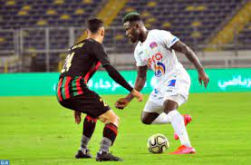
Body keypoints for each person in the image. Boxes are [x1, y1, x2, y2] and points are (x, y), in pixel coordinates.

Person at [115, 12, 209, 154]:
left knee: (169, 106)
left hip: (176, 77)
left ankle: (187, 146)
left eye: (128, 29)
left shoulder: (159, 35)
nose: (126, 33)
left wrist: (201, 70)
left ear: (136, 26)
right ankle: (179, 120)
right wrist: (128, 98)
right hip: (160, 84)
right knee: (146, 118)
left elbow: (184, 48)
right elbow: (141, 77)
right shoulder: (138, 51)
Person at [56, 18, 143, 161]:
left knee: (93, 113)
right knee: (113, 119)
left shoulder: (76, 46)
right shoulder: (95, 45)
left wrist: (77, 107)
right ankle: (103, 153)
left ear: (86, 32)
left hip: (61, 91)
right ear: (102, 31)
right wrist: (132, 90)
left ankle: (82, 150)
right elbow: (110, 69)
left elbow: (78, 72)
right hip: (74, 88)